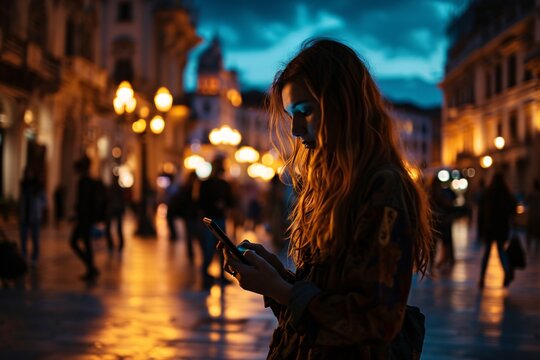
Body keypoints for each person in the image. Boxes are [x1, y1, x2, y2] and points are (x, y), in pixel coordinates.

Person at [221, 38, 432, 359]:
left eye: (305, 111)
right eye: (291, 114)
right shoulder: (332, 186)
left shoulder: (383, 188)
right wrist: (277, 277)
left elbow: (374, 322)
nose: (294, 129)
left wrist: (281, 289)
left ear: (343, 106)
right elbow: (323, 305)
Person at [198, 156, 234, 289]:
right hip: (209, 219)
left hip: (220, 218)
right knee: (208, 249)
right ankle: (205, 276)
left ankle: (221, 275)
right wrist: (214, 205)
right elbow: (200, 202)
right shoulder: (205, 183)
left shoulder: (224, 184)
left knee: (222, 248)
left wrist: (224, 205)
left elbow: (231, 200)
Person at [478, 172, 516, 289]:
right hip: (502, 227)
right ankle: (507, 270)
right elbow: (513, 209)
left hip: (489, 228)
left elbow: (482, 213)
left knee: (487, 253)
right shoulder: (506, 193)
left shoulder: (488, 193)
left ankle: (482, 278)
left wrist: (480, 229)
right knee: (501, 251)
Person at [70, 156, 100, 281]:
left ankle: (91, 267)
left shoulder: (84, 182)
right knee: (87, 243)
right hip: (88, 218)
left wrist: (78, 214)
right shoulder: (90, 181)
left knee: (74, 242)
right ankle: (91, 268)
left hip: (85, 218)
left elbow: (84, 202)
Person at [19, 166, 46, 265]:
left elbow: (43, 201)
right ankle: (23, 256)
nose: (29, 175)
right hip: (24, 216)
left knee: (35, 238)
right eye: (27, 173)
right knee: (23, 238)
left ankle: (34, 256)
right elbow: (21, 200)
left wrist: (38, 208)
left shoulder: (38, 187)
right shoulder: (23, 185)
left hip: (34, 217)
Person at [429, 174, 457, 271]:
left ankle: (434, 262)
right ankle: (446, 260)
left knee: (435, 243)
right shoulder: (442, 193)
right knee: (445, 242)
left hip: (436, 222)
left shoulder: (430, 193)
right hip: (443, 220)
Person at [105, 175, 125, 253]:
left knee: (117, 228)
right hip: (114, 209)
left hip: (114, 209)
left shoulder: (113, 189)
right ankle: (115, 245)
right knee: (117, 228)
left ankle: (115, 245)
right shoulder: (117, 189)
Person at [526, 179, 540, 251]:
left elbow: (526, 201)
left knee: (530, 233)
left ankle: (528, 247)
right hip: (538, 216)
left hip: (532, 216)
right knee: (537, 233)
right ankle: (536, 248)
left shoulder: (532, 194)